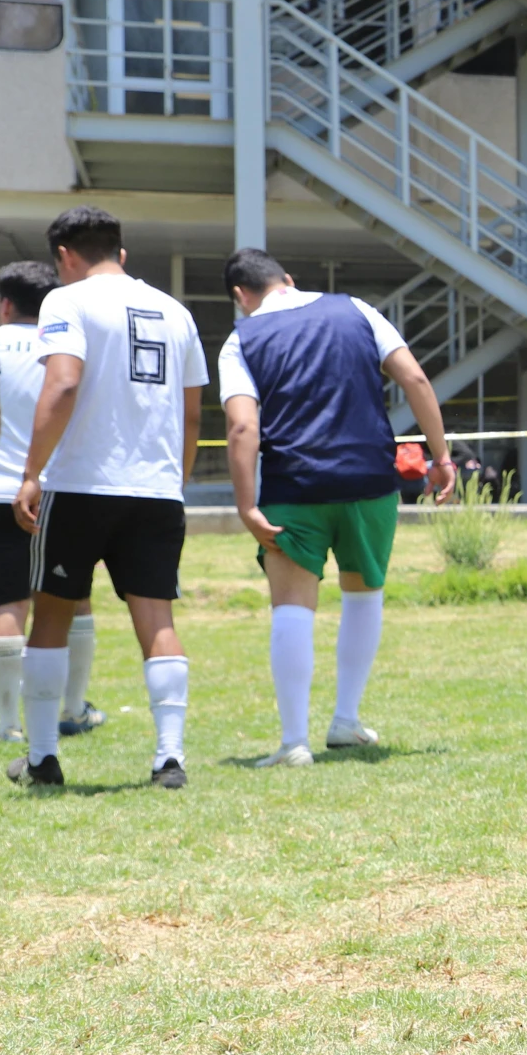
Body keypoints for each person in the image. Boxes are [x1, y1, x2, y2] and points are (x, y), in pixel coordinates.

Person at [218, 250, 457, 768]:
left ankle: (293, 742)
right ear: (289, 278)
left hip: (293, 487)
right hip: (370, 480)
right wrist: (440, 457)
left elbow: (242, 428)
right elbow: (414, 379)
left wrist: (244, 504)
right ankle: (346, 718)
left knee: (291, 608)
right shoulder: (356, 309)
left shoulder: (241, 340)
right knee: (364, 595)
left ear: (241, 295)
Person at [9, 207, 206, 790]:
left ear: (65, 256)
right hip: (156, 489)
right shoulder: (177, 311)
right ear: (119, 251)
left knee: (51, 614)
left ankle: (42, 758)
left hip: (80, 484)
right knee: (157, 618)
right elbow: (193, 413)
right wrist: (177, 480)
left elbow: (64, 382)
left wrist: (30, 472)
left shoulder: (65, 301)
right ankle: (169, 758)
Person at [0, 263, 110, 743]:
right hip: (59, 489)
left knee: (7, 603)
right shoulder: (68, 346)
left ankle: (9, 725)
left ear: (5, 304)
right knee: (73, 600)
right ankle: (73, 709)